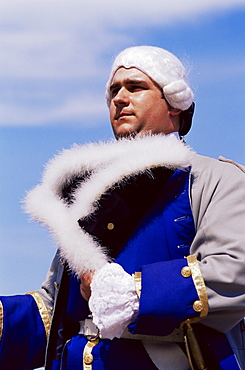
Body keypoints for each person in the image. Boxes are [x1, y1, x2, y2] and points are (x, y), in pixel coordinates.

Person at [0, 45, 245, 370]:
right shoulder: (90, 195)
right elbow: (57, 309)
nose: (119, 98)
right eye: (114, 90)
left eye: (136, 87)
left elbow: (234, 270)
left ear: (174, 104)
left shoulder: (214, 178)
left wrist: (130, 291)